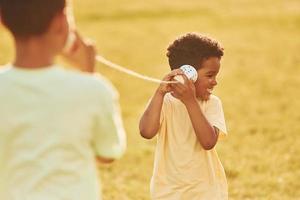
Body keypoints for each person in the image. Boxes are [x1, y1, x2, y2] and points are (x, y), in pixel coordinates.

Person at [0, 0, 126, 200]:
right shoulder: (93, 90)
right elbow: (107, 152)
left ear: (3, 20)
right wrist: (88, 74)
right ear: (60, 23)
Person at [139, 33, 228, 200]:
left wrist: (190, 101)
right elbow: (146, 131)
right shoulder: (164, 102)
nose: (215, 82)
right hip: (168, 192)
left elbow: (208, 142)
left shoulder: (212, 103)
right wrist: (159, 93)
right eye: (210, 76)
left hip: (205, 192)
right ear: (189, 75)